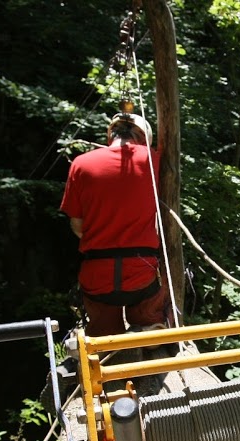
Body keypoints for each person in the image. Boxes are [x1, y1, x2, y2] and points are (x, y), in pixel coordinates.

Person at [60, 112, 169, 337]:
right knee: (150, 304)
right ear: (143, 137)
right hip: (141, 270)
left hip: (98, 273)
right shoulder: (153, 160)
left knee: (102, 327)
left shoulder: (81, 164)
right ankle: (148, 324)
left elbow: (78, 226)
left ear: (111, 135)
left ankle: (105, 337)